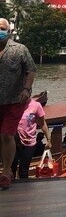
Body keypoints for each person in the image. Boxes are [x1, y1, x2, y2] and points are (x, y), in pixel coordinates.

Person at [0, 18, 37, 189]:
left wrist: (26, 89)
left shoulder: (20, 50)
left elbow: (30, 70)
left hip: (14, 101)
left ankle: (7, 171)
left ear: (8, 31)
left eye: (2, 28)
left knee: (7, 135)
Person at [13, 95, 50, 179]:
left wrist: (48, 139)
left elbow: (42, 123)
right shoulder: (14, 105)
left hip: (29, 142)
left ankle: (24, 189)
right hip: (14, 142)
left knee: (23, 170)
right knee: (12, 168)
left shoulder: (36, 106)